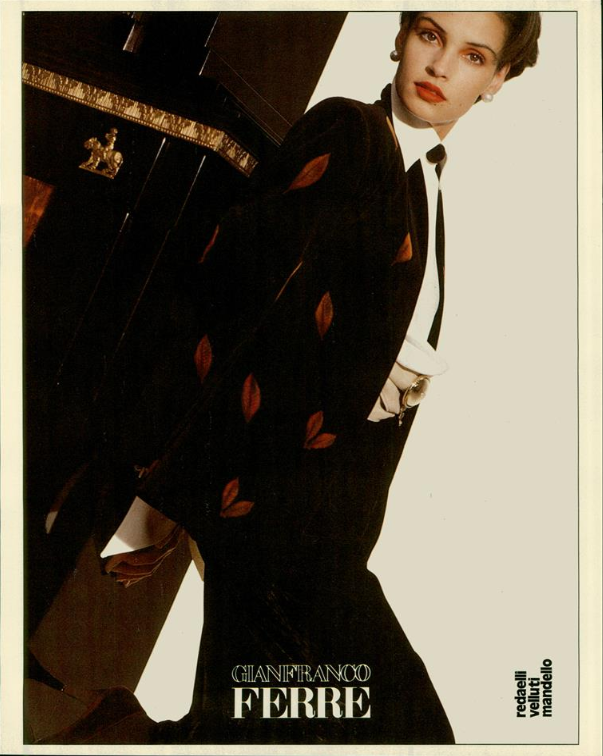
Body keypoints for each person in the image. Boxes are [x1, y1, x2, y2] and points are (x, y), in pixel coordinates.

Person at [38, 10, 541, 745]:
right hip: (275, 527)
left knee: (248, 728)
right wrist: (160, 489)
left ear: (497, 79)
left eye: (472, 55)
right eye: (429, 36)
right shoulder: (347, 130)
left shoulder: (423, 188)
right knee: (400, 732)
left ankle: (111, 733)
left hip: (322, 533)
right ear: (401, 37)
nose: (439, 67)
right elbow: (238, 301)